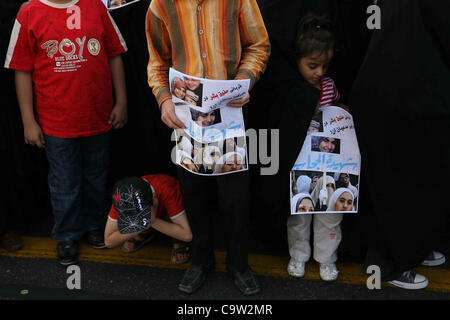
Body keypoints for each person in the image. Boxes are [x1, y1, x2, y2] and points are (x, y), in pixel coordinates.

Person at [146, 0, 270, 295]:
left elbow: (258, 45)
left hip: (230, 111)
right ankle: (201, 261)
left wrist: (244, 80)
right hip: (185, 116)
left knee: (236, 197)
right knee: (194, 194)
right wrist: (163, 99)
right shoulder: (161, 5)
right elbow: (156, 60)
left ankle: (239, 264)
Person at [5, 0, 128, 265]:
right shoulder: (29, 12)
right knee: (64, 182)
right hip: (56, 123)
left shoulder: (95, 6)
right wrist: (28, 121)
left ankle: (95, 226)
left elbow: (114, 54)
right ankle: (68, 235)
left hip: (99, 117)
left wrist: (121, 102)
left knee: (97, 176)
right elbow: (22, 71)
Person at [349, 0, 449, 289]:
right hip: (396, 99)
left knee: (407, 183)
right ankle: (388, 265)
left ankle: (411, 249)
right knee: (394, 187)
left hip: (398, 95)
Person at [104, 175, 192, 264]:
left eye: (141, 214)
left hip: (172, 209)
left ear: (154, 199)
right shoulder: (121, 198)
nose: (138, 219)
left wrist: (152, 221)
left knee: (182, 223)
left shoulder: (167, 189)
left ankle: (176, 240)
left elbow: (187, 235)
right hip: (153, 211)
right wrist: (144, 224)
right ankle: (147, 230)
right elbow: (108, 241)